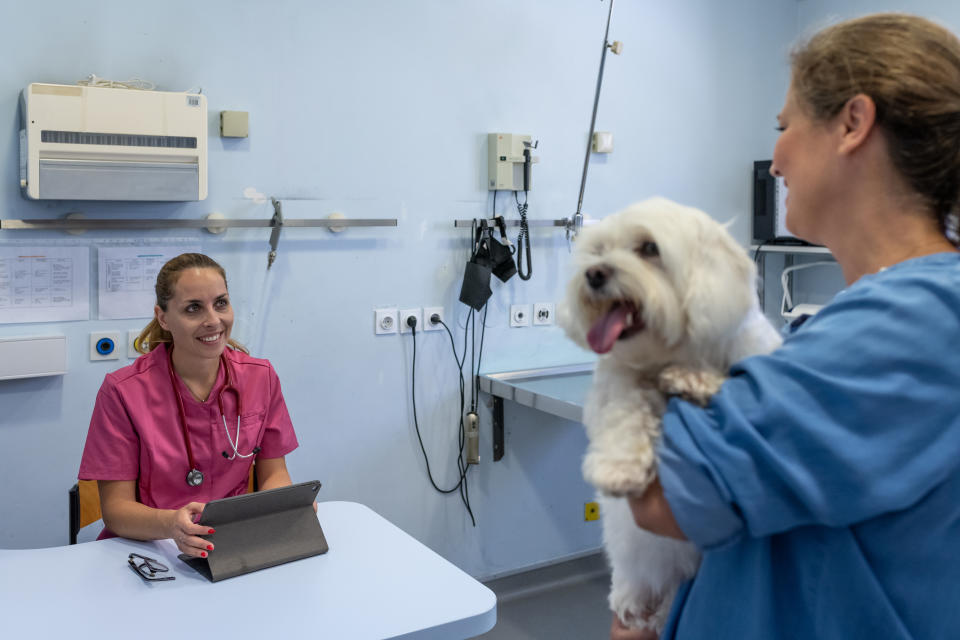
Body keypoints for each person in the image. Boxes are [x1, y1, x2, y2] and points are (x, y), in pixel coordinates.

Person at [613, 13, 960, 640]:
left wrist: (631, 364)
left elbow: (661, 494)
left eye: (785, 126)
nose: (775, 159)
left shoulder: (912, 324)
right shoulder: (878, 317)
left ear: (853, 124)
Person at [78, 253, 300, 559]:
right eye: (193, 308)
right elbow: (116, 511)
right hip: (148, 549)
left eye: (221, 303)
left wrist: (284, 504)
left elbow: (274, 473)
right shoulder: (123, 392)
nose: (213, 320)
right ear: (163, 318)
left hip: (229, 545)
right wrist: (171, 525)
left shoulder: (260, 377)